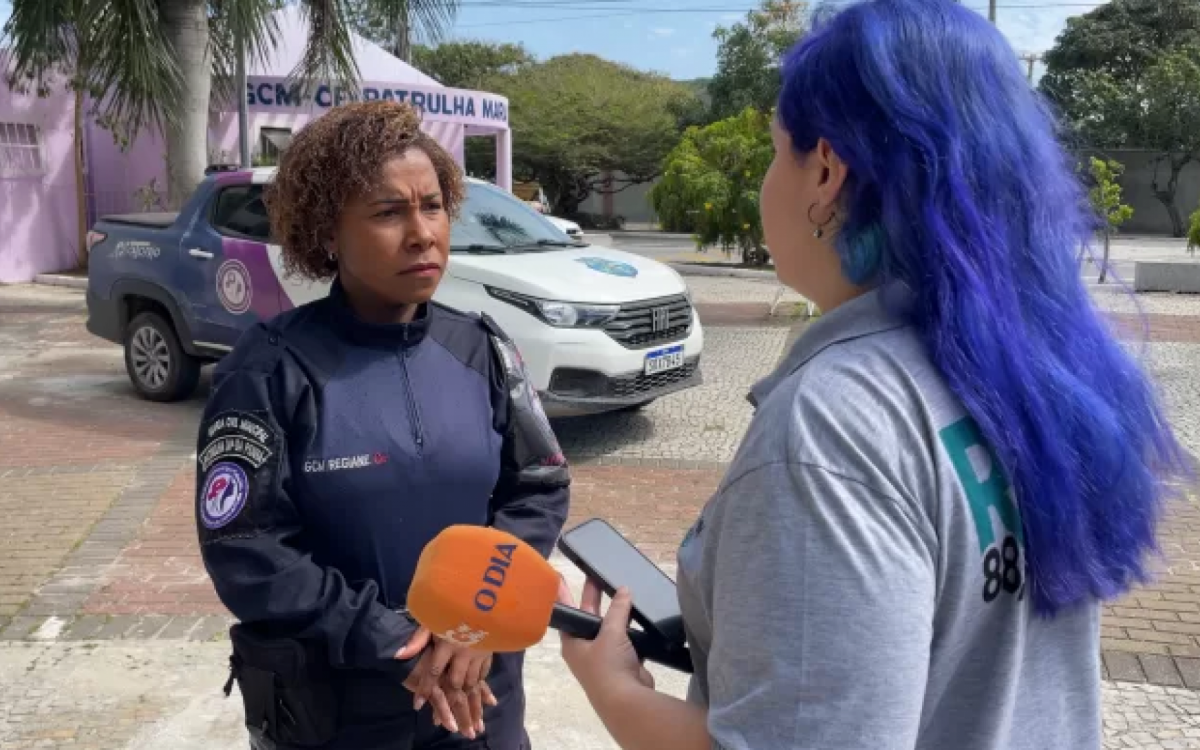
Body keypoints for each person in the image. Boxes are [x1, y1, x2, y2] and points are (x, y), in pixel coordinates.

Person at [555, 1, 1192, 748]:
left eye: (774, 152)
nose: (766, 182)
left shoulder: (835, 425)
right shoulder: (1038, 372)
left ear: (826, 172)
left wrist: (614, 689)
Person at [194, 100, 570, 750]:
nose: (422, 233)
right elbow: (246, 547)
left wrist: (477, 618)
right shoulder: (270, 371)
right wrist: (393, 639)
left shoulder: (482, 349)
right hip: (338, 712)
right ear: (327, 233)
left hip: (480, 698)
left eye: (433, 206)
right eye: (388, 212)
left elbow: (538, 487)